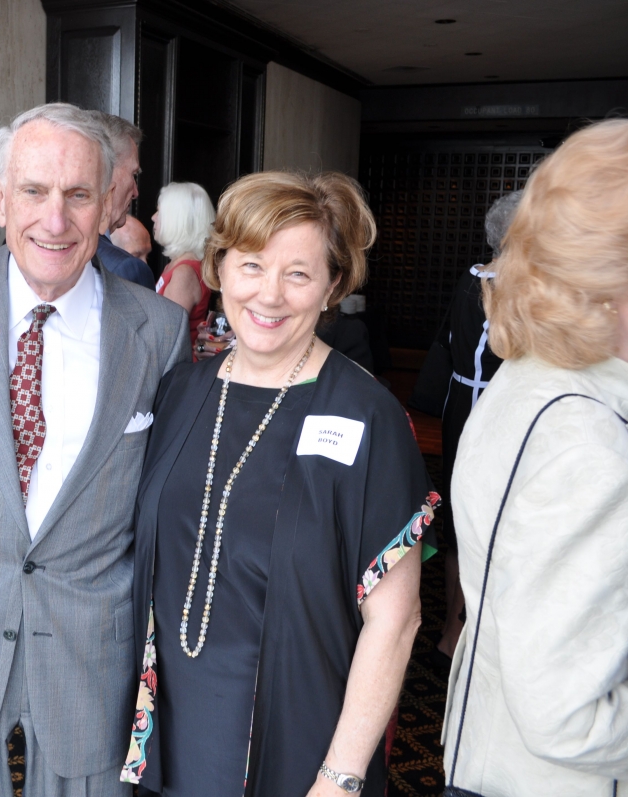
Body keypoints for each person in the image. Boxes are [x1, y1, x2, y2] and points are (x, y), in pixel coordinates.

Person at [0, 103, 188, 797]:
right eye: (33, 191)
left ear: (108, 204)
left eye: (78, 194)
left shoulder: (159, 329)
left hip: (92, 646)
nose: (55, 220)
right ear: (0, 198)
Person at [123, 171, 437, 797]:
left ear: (332, 286)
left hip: (300, 743)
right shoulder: (180, 392)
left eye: (298, 273)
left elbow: (396, 620)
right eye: (251, 265)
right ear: (219, 268)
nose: (269, 295)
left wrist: (340, 777)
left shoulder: (368, 416)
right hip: (171, 731)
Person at [442, 120, 628, 794]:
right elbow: (570, 719)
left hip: (490, 756)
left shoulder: (533, 378)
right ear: (616, 273)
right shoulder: (588, 449)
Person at [431, 190, 521, 661]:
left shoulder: (473, 278)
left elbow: (449, 341)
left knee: (459, 514)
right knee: (486, 519)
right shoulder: (516, 288)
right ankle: (465, 633)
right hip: (494, 406)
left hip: (459, 401)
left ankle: (453, 629)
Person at [89, 111, 156, 289]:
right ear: (106, 171)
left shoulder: (24, 251)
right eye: (133, 174)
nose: (135, 192)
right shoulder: (127, 269)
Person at [152, 182, 214, 358]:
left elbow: (166, 335)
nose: (153, 217)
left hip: (178, 369)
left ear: (178, 220)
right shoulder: (176, 265)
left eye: (159, 212)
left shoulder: (184, 272)